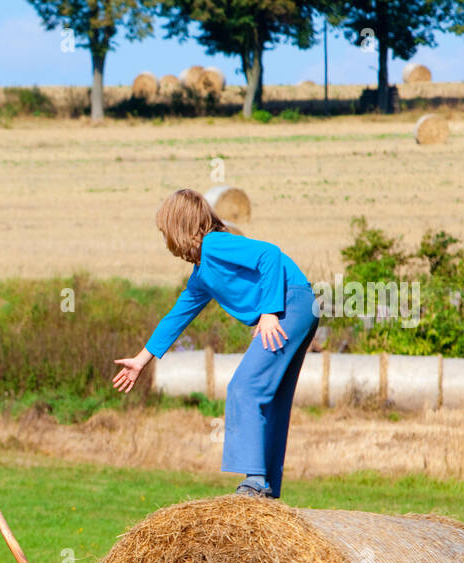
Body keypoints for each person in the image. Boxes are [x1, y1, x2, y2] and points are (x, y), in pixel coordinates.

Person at [112, 188, 318, 499]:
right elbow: (177, 316)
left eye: (164, 229)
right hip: (300, 305)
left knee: (244, 387)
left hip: (289, 305)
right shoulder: (203, 273)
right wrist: (142, 359)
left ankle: (254, 482)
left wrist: (270, 311)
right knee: (271, 398)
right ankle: (267, 487)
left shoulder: (215, 246)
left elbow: (270, 255)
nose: (163, 237)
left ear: (179, 226)